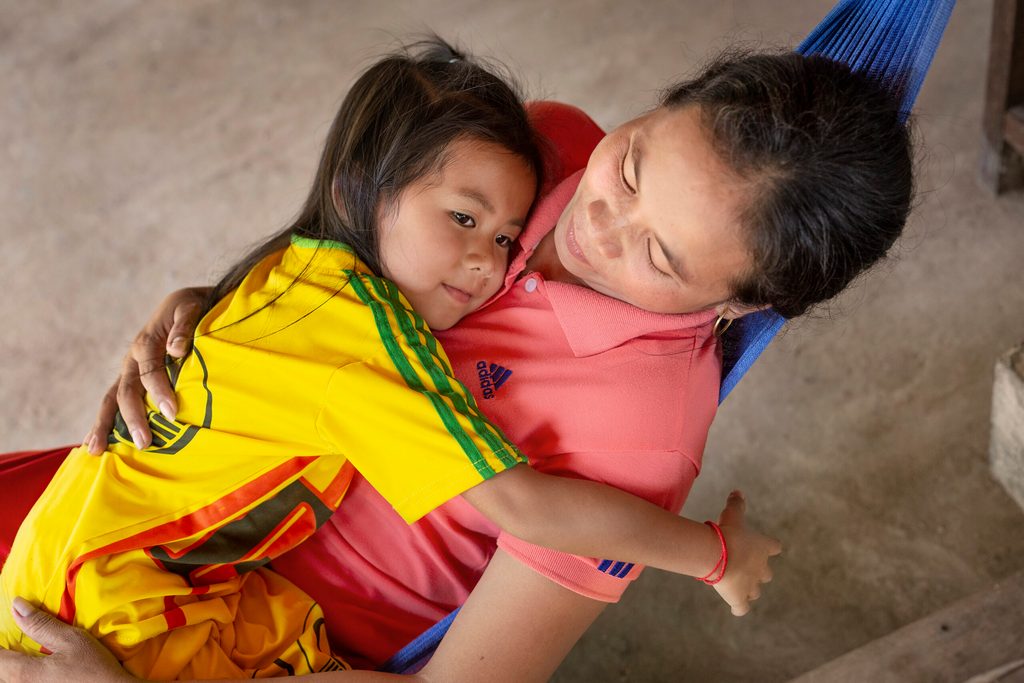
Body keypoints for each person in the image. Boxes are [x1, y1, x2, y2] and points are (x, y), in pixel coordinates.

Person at [0, 45, 913, 682]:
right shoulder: (541, 147)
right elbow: (353, 249)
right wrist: (203, 311)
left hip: (262, 635)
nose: (597, 224)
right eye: (631, 166)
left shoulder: (643, 437)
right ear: (660, 106)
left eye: (661, 257)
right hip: (189, 501)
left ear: (742, 304)